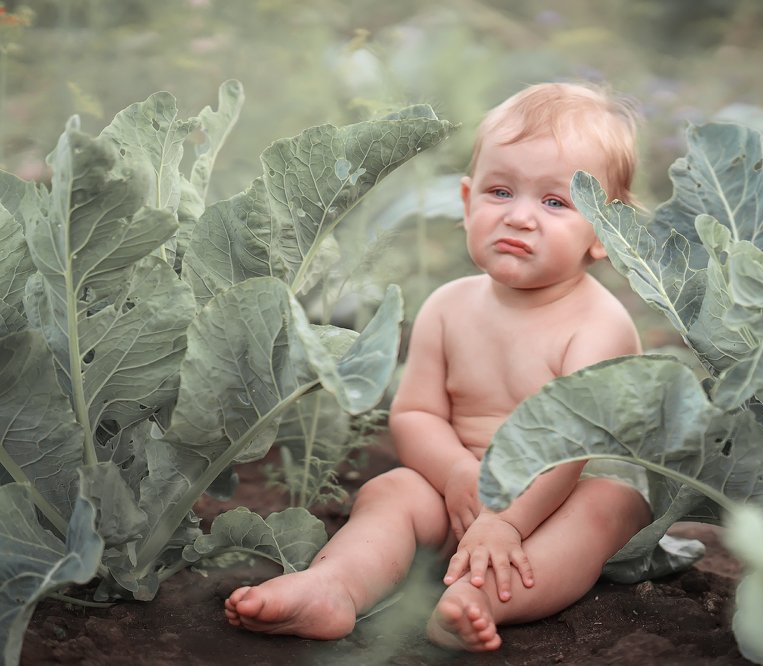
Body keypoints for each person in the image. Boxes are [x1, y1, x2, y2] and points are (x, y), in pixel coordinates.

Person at [224, 82, 652, 652]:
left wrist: (505, 521)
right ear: (468, 199)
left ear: (605, 232)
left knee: (609, 504)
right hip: (463, 490)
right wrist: (454, 475)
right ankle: (334, 586)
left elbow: (571, 450)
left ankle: (481, 601)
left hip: (563, 497)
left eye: (555, 202)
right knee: (393, 489)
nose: (520, 217)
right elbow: (418, 414)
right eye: (501, 191)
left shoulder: (598, 327)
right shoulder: (449, 307)